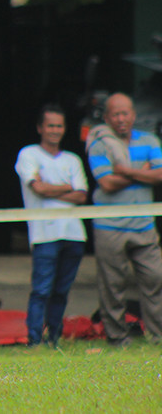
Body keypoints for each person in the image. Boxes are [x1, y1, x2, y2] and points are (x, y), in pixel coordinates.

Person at [85, 92, 162, 347]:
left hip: (144, 225)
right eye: (115, 114)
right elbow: (106, 183)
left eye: (125, 113)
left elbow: (160, 175)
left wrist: (126, 171)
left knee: (155, 278)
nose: (121, 118)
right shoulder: (99, 143)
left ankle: (157, 336)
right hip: (110, 226)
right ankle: (117, 337)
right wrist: (143, 173)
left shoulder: (149, 139)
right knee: (112, 285)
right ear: (106, 117)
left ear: (134, 115)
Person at [14, 104, 89, 348]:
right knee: (41, 291)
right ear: (40, 128)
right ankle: (34, 339)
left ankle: (53, 339)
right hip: (44, 233)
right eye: (50, 125)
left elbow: (82, 196)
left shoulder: (72, 159)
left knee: (61, 292)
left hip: (74, 234)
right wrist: (67, 187)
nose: (55, 130)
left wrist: (51, 190)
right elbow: (37, 188)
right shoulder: (29, 154)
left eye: (59, 125)